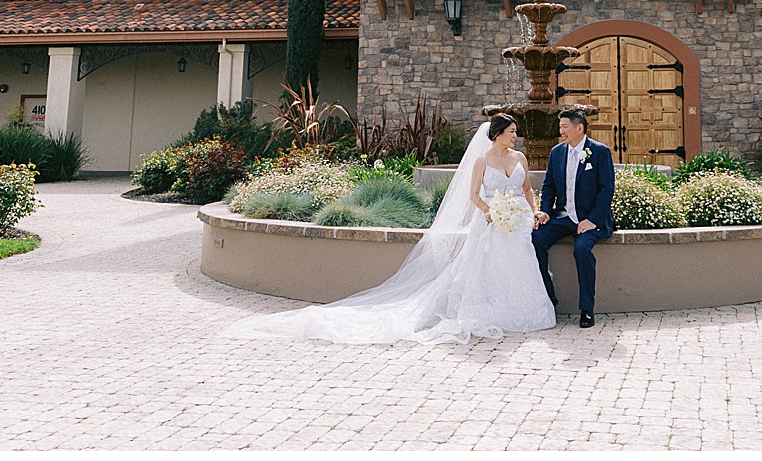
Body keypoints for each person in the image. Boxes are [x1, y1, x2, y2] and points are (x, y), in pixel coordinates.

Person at [222, 114, 555, 344]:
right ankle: (487, 312)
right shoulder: (482, 161)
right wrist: (490, 212)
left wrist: (535, 210)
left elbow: (526, 190)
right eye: (511, 131)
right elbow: (472, 196)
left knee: (518, 268)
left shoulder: (521, 158)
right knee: (486, 270)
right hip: (491, 224)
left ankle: (522, 312)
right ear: (497, 134)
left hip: (516, 225)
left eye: (516, 132)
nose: (516, 136)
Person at [531, 109, 615, 328]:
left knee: (582, 250)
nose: (561, 131)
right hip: (563, 216)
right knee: (536, 239)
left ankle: (587, 308)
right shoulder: (557, 152)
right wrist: (545, 211)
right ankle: (550, 297)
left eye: (564, 127)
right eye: (560, 127)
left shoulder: (600, 152)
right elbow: (549, 186)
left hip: (590, 219)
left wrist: (594, 220)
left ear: (579, 128)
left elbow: (606, 190)